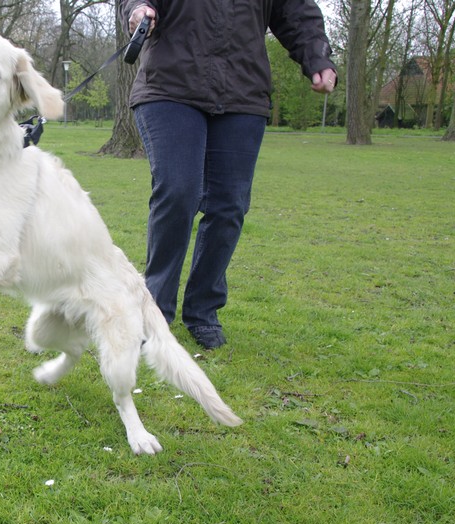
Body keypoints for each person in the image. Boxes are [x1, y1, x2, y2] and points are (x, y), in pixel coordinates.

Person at [119, 1, 337, 349]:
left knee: (229, 205)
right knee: (178, 191)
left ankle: (203, 311)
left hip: (242, 89)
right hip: (171, 83)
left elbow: (296, 11)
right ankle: (154, 311)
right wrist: (137, 7)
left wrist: (318, 57)